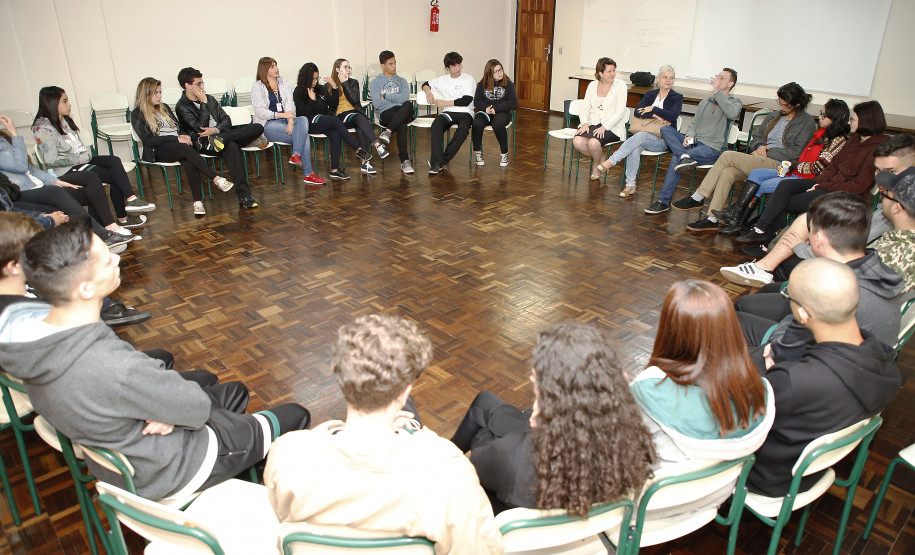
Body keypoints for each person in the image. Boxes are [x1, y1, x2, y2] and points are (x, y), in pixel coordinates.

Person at [0, 222, 311, 500]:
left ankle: (238, 466)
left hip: (119, 462)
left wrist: (164, 408)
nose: (117, 259)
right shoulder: (107, 363)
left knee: (234, 392)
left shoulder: (30, 340)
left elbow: (169, 401)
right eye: (108, 260)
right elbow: (195, 407)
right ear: (85, 288)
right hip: (172, 466)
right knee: (294, 414)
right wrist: (169, 408)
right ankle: (255, 491)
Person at [264, 314, 503, 554]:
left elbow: (282, 514)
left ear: (341, 378)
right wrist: (421, 438)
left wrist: (335, 428)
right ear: (405, 390)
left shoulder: (288, 454)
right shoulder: (451, 474)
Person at [450, 321, 655, 515]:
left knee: (485, 427)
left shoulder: (512, 457)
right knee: (489, 403)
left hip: (507, 524)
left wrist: (489, 437)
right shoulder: (626, 440)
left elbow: (475, 464)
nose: (535, 407)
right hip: (584, 533)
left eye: (540, 394)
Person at [747, 257, 901, 497]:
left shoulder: (793, 380)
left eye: (789, 298)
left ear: (804, 313)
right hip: (815, 468)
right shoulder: (886, 364)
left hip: (767, 477)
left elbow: (742, 424)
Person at [721, 134, 915, 287]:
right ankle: (763, 259)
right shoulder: (890, 205)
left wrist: (801, 247)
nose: (880, 178)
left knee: (787, 261)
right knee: (801, 209)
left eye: (891, 172)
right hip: (836, 257)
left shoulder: (899, 215)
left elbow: (850, 259)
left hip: (837, 280)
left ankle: (766, 262)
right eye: (877, 170)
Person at [735, 193, 904, 369]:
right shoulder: (873, 265)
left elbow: (795, 341)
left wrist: (777, 346)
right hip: (855, 366)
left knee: (720, 349)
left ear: (818, 238)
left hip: (815, 369)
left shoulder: (834, 284)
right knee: (739, 316)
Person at [634, 280, 774, 469]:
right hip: (726, 489)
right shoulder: (763, 391)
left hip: (669, 493)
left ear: (670, 329)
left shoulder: (648, 387)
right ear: (732, 327)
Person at [737, 100, 888, 243]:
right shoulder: (855, 140)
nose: (849, 122)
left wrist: (822, 186)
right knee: (785, 186)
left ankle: (765, 238)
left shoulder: (876, 148)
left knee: (786, 201)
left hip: (844, 194)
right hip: (827, 184)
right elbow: (833, 166)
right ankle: (760, 229)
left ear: (866, 121)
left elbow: (859, 186)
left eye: (853, 119)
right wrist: (819, 183)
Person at [675, 82, 817, 232]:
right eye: (779, 103)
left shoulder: (806, 122)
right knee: (727, 172)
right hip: (760, 159)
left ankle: (698, 196)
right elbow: (756, 137)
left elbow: (797, 152)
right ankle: (712, 219)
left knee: (727, 155)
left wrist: (767, 152)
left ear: (797, 104)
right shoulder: (774, 116)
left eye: (785, 105)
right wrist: (758, 147)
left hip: (779, 165)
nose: (781, 107)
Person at [715, 99, 851, 235]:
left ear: (834, 118)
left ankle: (740, 222)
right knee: (757, 174)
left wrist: (794, 165)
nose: (820, 117)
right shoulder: (823, 134)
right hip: (797, 170)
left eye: (824, 115)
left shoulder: (838, 141)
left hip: (809, 178)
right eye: (821, 113)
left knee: (762, 184)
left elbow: (818, 167)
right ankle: (737, 215)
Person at [32, 86, 156, 229]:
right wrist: (80, 158)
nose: (69, 104)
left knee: (114, 161)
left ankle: (129, 202)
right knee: (112, 175)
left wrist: (84, 155)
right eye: (65, 101)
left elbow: (76, 146)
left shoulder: (64, 120)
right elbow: (50, 160)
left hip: (82, 160)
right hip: (66, 169)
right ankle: (117, 220)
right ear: (52, 103)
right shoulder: (43, 128)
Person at [1, 117, 130, 250]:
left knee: (89, 191)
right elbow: (21, 166)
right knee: (55, 191)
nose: (69, 105)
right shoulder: (22, 133)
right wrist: (14, 133)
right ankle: (103, 235)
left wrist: (57, 182)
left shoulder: (4, 138)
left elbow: (30, 169)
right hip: (22, 193)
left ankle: (100, 236)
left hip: (41, 187)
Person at [131, 78, 235, 216]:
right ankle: (216, 178)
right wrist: (176, 138)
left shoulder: (164, 107)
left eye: (160, 92)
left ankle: (197, 202)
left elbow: (179, 127)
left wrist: (183, 135)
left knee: (189, 160)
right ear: (146, 94)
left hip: (177, 145)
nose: (159, 96)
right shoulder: (137, 113)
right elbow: (148, 140)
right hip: (159, 149)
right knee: (186, 149)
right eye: (156, 93)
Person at [643, 68, 741, 214]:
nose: (717, 78)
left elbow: (731, 113)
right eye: (717, 76)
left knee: (676, 159)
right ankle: (684, 155)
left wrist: (717, 93)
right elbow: (694, 124)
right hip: (694, 144)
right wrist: (689, 136)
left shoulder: (734, 102)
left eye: (722, 78)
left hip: (712, 148)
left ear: (730, 84)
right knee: (665, 129)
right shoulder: (705, 102)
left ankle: (663, 201)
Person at [175, 67, 264, 209]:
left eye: (202, 83)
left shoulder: (209, 98)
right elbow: (199, 128)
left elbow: (226, 120)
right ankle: (245, 195)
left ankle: (224, 138)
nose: (202, 87)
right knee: (233, 146)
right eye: (198, 84)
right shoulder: (182, 106)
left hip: (220, 137)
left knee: (258, 127)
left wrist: (216, 130)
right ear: (187, 85)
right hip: (205, 143)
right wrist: (203, 103)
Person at [595, 65, 683, 197]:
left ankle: (612, 161)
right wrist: (657, 116)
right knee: (636, 146)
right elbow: (637, 112)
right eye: (665, 77)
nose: (668, 80)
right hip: (645, 136)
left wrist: (652, 109)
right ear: (658, 79)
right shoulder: (650, 94)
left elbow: (672, 116)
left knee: (639, 137)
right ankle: (630, 185)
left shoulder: (676, 97)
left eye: (671, 78)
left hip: (663, 140)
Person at [251, 57, 325, 187]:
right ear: (264, 70)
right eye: (272, 66)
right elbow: (261, 112)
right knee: (304, 136)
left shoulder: (284, 83)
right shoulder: (257, 87)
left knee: (302, 119)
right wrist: (282, 114)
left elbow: (290, 105)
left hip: (286, 122)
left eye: (276, 65)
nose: (276, 68)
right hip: (268, 125)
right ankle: (308, 173)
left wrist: (290, 121)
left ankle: (296, 155)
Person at [294, 62, 371, 181]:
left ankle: (334, 170)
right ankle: (357, 149)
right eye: (313, 78)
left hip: (323, 120)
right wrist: (312, 100)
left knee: (336, 134)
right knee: (334, 120)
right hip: (309, 123)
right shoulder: (299, 91)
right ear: (306, 78)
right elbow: (303, 113)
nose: (315, 81)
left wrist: (334, 87)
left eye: (317, 78)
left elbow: (333, 104)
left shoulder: (319, 89)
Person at [326, 58, 389, 175]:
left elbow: (354, 100)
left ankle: (365, 163)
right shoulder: (329, 85)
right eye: (345, 67)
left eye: (349, 67)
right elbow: (332, 105)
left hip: (354, 115)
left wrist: (345, 83)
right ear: (337, 69)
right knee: (360, 118)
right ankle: (378, 145)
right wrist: (336, 87)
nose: (348, 70)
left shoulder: (353, 82)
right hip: (340, 117)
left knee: (360, 127)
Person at [421, 51, 476, 175]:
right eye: (454, 66)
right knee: (436, 125)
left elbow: (466, 100)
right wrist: (428, 92)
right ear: (447, 68)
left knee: (462, 130)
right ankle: (435, 162)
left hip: (465, 112)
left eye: (459, 65)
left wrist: (444, 103)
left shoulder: (468, 79)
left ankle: (442, 161)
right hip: (449, 112)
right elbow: (425, 84)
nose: (458, 68)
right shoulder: (442, 80)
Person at [573, 57, 627, 181]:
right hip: (593, 123)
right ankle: (602, 160)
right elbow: (585, 108)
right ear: (600, 73)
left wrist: (604, 127)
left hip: (612, 126)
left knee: (593, 143)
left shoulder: (620, 85)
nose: (612, 74)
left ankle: (596, 167)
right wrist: (585, 123)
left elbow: (620, 112)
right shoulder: (592, 85)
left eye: (614, 70)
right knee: (577, 142)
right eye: (609, 71)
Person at [369, 50, 415, 174]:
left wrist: (386, 96)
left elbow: (405, 99)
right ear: (382, 65)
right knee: (402, 123)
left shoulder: (402, 81)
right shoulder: (375, 83)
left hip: (403, 110)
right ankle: (405, 161)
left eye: (395, 63)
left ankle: (388, 131)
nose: (394, 66)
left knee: (408, 104)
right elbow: (377, 104)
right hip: (386, 113)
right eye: (390, 64)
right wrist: (395, 99)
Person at [471, 59, 518, 168]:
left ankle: (504, 154)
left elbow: (513, 102)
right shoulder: (482, 85)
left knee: (497, 123)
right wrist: (485, 108)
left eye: (500, 70)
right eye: (496, 71)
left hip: (502, 112)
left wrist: (497, 108)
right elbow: (477, 102)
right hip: (486, 112)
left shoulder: (509, 84)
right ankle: (477, 153)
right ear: (489, 73)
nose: (499, 73)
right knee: (477, 123)